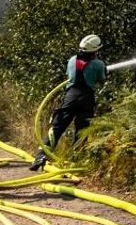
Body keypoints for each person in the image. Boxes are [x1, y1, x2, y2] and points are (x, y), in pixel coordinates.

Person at [32, 34, 107, 171]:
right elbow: (101, 80)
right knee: (82, 130)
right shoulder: (98, 64)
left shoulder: (72, 60)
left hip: (70, 97)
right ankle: (75, 160)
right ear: (94, 51)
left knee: (57, 126)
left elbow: (70, 76)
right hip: (86, 99)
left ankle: (41, 156)